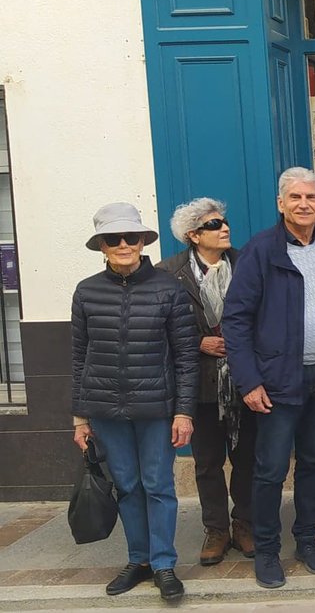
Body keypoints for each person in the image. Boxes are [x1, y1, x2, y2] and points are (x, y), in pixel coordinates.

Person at [223, 167, 315, 589]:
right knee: (271, 469)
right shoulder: (260, 251)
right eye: (295, 197)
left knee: (313, 463)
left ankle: (308, 541)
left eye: (311, 197)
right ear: (281, 203)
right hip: (275, 381)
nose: (303, 204)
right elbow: (235, 321)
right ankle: (268, 550)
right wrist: (249, 381)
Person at [71, 203, 197, 601]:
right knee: (126, 486)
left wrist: (184, 411)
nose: (124, 244)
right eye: (114, 238)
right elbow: (78, 355)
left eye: (132, 237)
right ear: (102, 247)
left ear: (143, 242)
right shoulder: (86, 291)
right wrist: (79, 417)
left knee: (158, 485)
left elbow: (187, 356)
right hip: (105, 408)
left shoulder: (168, 289)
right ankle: (138, 559)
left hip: (157, 408)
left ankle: (163, 563)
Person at [158, 198, 255, 566]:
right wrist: (198, 342)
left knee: (247, 458)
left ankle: (244, 523)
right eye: (214, 225)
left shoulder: (247, 264)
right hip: (199, 382)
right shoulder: (168, 273)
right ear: (193, 235)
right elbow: (158, 328)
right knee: (207, 462)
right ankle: (216, 530)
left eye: (225, 222)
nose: (225, 228)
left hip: (244, 378)